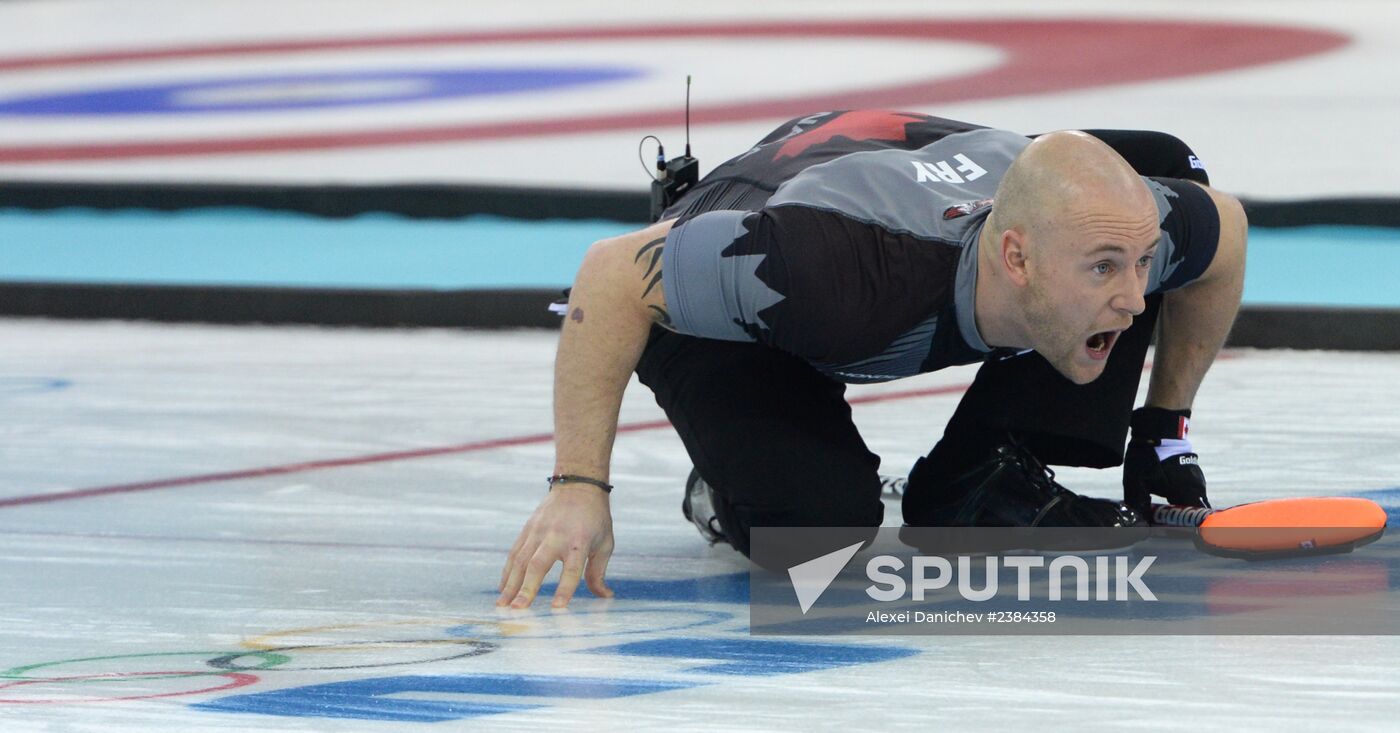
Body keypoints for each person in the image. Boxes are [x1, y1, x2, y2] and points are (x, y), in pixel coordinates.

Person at [497, 110, 1247, 609]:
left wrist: (1162, 431)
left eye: (1143, 263)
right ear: (1016, 257)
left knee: (1165, 165)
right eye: (1108, 268)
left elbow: (1229, 231)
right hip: (762, 266)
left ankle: (978, 473)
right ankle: (723, 486)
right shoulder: (832, 271)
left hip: (896, 168)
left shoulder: (1101, 235)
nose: (1136, 298)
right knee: (822, 536)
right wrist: (578, 486)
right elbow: (610, 274)